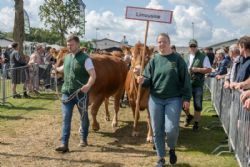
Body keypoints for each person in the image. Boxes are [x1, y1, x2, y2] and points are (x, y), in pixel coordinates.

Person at [137, 33, 191, 166]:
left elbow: (186, 80)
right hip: (156, 99)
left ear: (169, 42)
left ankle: (171, 148)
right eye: (159, 42)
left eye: (164, 41)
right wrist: (142, 80)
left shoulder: (177, 59)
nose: (161, 44)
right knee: (157, 130)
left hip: (174, 99)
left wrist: (186, 98)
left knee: (171, 129)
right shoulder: (154, 60)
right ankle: (160, 157)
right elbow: (148, 79)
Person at [55, 35, 96, 153]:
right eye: (68, 44)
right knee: (66, 118)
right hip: (66, 93)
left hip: (80, 94)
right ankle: (64, 143)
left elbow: (93, 75)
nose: (69, 46)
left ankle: (83, 138)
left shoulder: (86, 59)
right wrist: (56, 69)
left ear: (78, 44)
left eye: (71, 44)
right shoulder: (67, 57)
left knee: (83, 116)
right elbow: (64, 68)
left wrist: (88, 86)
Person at [183, 39, 212, 131]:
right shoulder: (185, 56)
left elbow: (209, 70)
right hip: (186, 84)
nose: (192, 48)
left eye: (194, 46)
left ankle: (196, 123)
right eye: (191, 46)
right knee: (183, 103)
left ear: (197, 46)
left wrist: (198, 69)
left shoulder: (203, 56)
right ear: (188, 47)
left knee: (198, 104)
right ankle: (188, 116)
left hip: (197, 84)